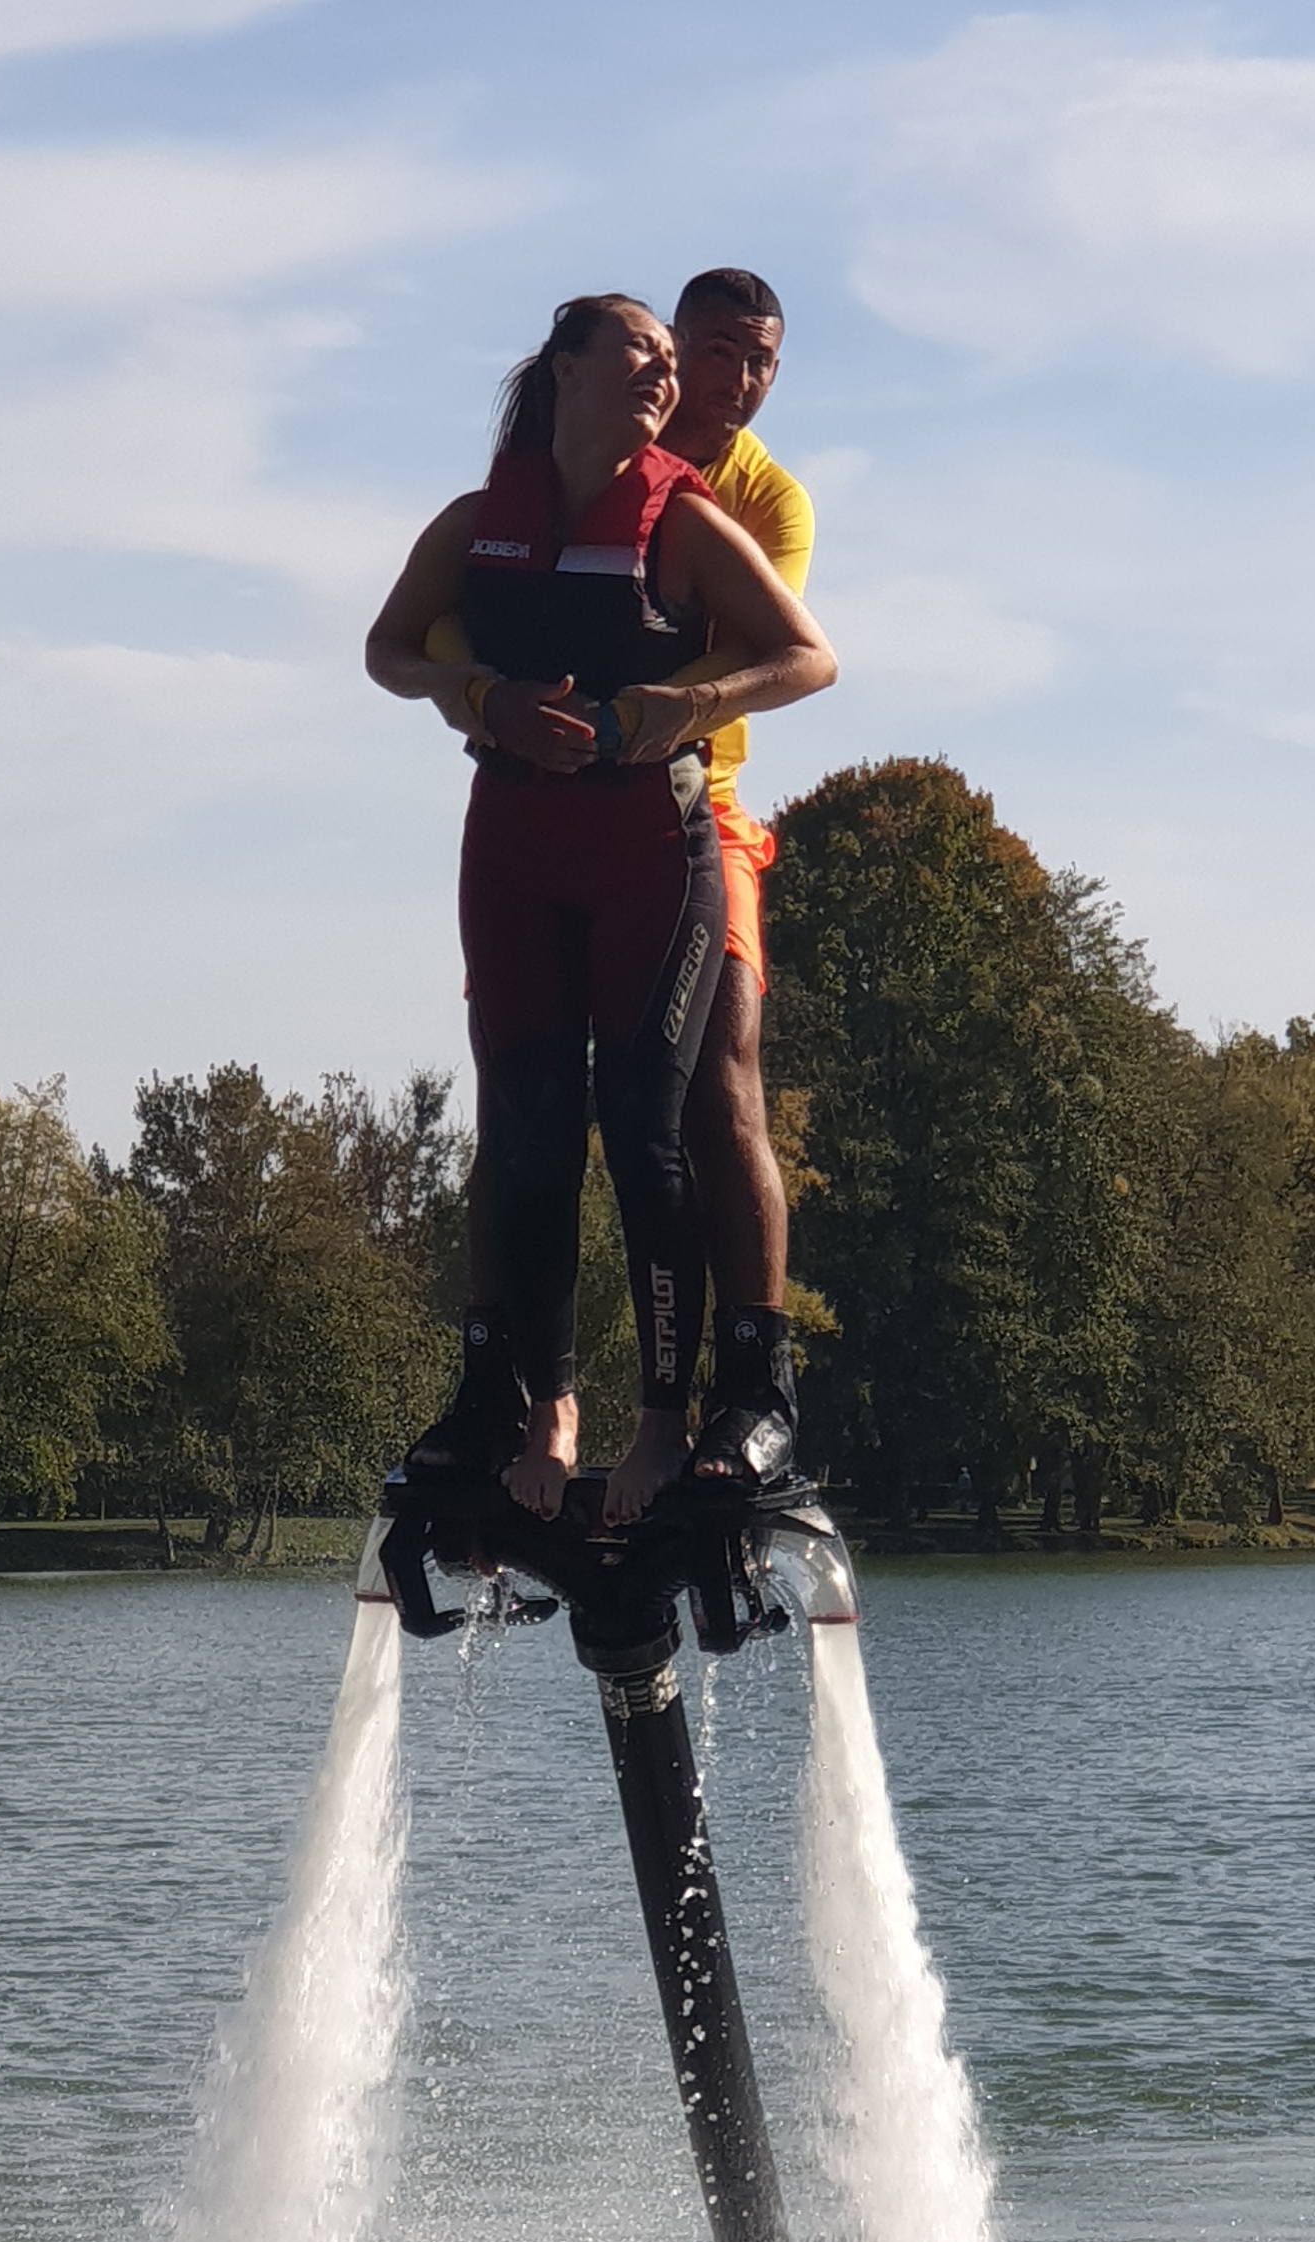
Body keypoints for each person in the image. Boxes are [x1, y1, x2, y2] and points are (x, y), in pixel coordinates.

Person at [365, 295, 836, 1525]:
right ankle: (528, 1404)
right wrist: (473, 695)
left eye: (681, 364)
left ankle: (678, 1416)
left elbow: (806, 655)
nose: (671, 374)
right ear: (561, 365)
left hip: (656, 838)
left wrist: (664, 714)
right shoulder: (479, 524)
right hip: (512, 838)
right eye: (648, 349)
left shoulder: (694, 519)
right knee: (523, 1124)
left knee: (651, 1123)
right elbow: (388, 651)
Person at [658, 268, 814, 1489]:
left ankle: (756, 1385)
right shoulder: (591, 458)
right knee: (548, 1100)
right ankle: (534, 1387)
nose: (741, 383)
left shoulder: (769, 500)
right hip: (556, 802)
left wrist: (657, 706)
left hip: (704, 806)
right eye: (720, 354)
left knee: (726, 1072)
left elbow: (760, 652)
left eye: (761, 360)